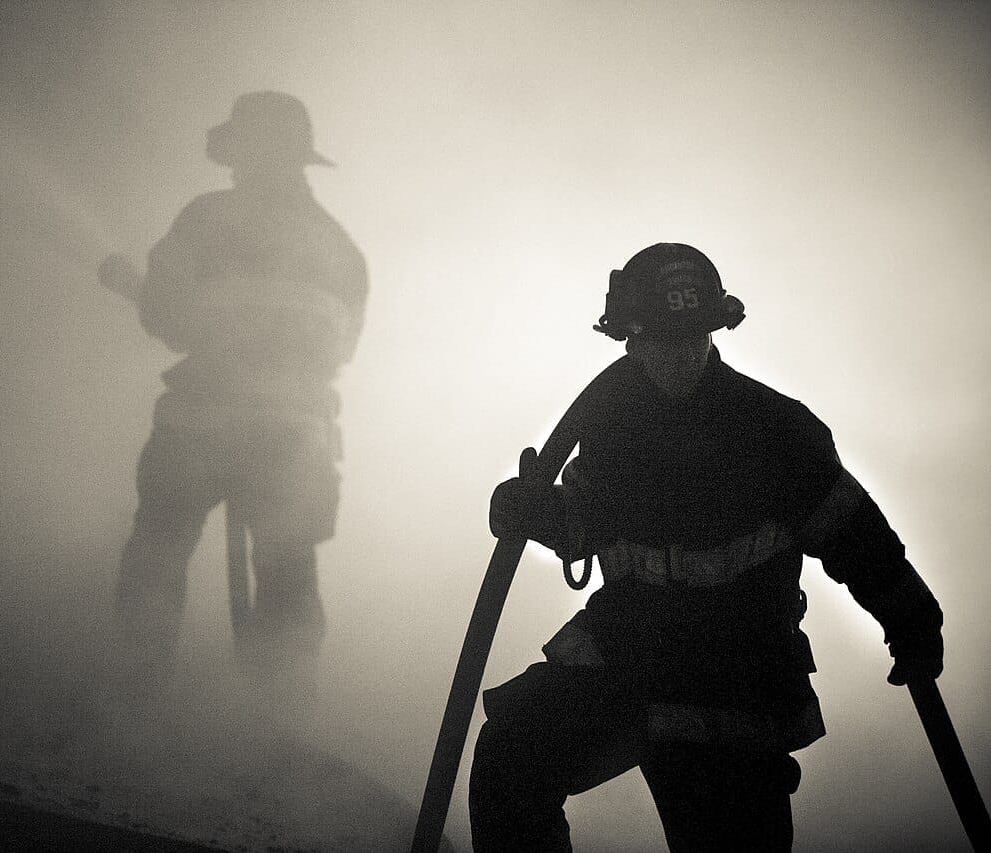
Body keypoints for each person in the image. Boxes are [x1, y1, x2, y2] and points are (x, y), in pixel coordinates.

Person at [471, 243, 943, 851]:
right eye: (663, 339)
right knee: (512, 756)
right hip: (629, 665)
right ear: (628, 338)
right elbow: (593, 523)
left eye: (694, 337)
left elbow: (854, 535)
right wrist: (535, 514)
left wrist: (909, 614)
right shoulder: (608, 428)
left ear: (716, 329)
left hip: (734, 693)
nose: (681, 355)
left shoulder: (776, 430)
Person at [102, 92, 367, 698]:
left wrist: (131, 287)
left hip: (202, 426)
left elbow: (171, 320)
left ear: (246, 152)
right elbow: (339, 350)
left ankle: (133, 706)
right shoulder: (341, 248)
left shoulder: (207, 219)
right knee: (287, 583)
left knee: (159, 556)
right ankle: (274, 730)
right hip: (296, 444)